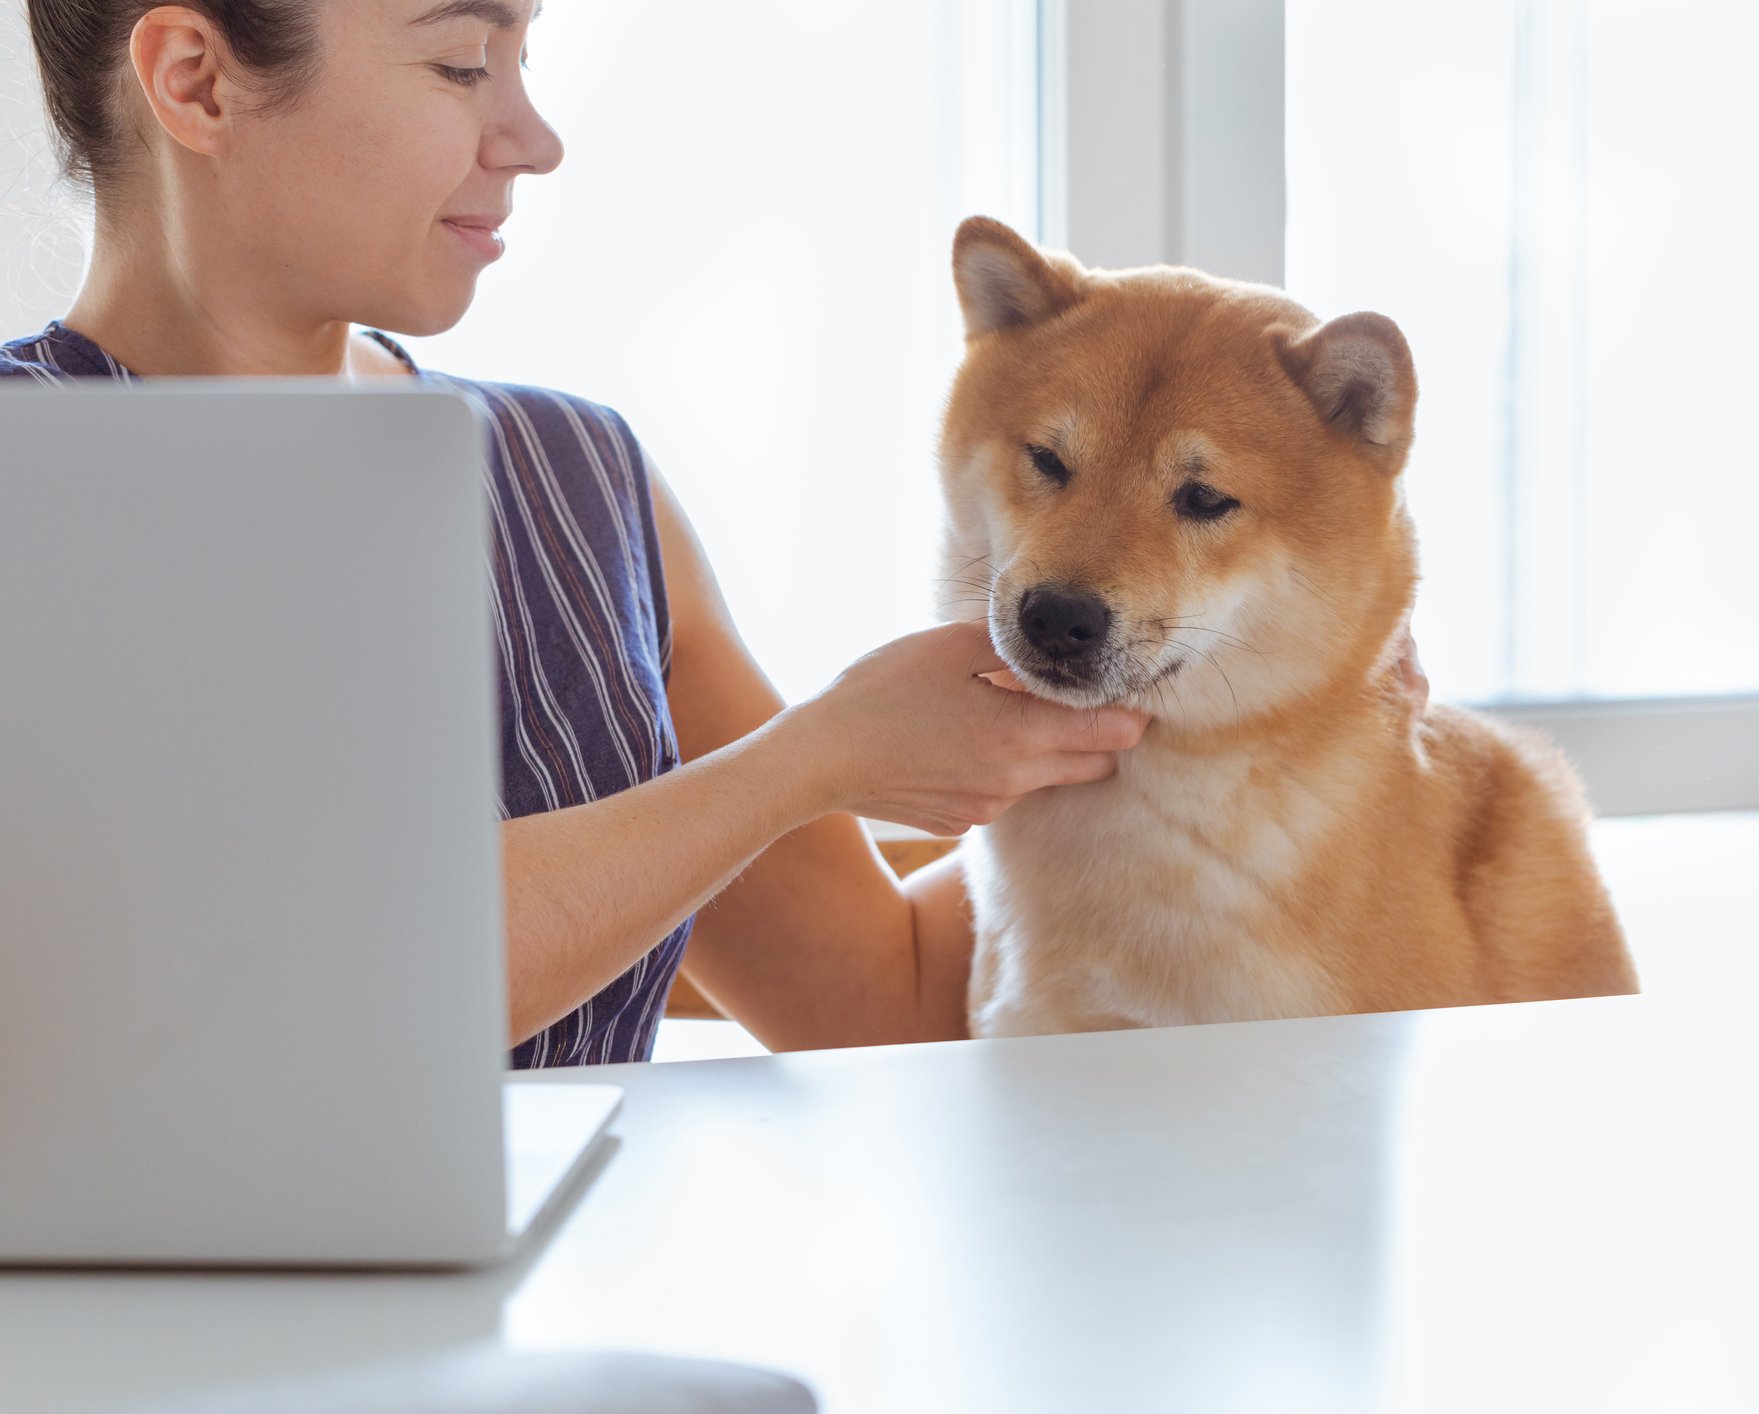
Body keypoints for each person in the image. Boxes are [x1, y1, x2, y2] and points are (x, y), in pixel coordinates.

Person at [3, 0, 1421, 1063]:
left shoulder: (577, 482)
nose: (531, 136)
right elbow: (310, 993)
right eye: (458, 63)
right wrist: (814, 758)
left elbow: (884, 999)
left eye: (523, 58)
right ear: (196, 79)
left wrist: (1267, 738)